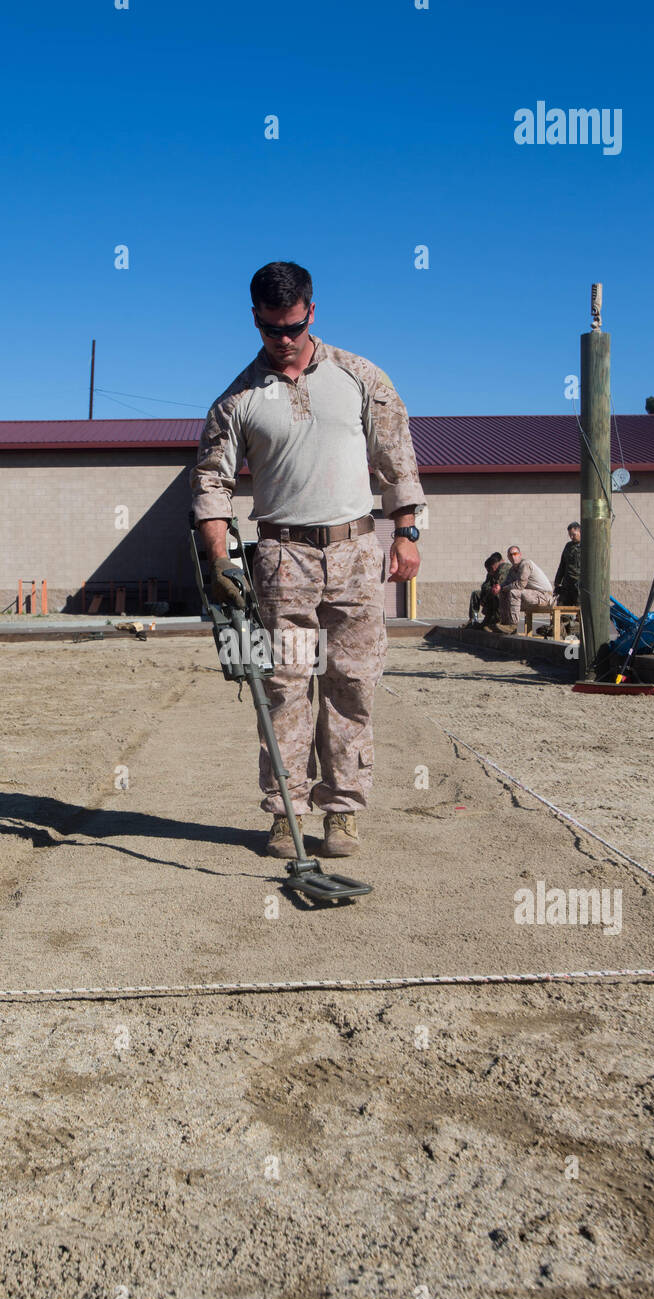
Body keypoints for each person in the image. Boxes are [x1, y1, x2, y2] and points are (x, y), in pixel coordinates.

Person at [191, 260, 426, 858]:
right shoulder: (237, 400)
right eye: (272, 329)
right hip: (281, 558)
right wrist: (220, 560)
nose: (284, 341)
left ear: (312, 312)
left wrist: (407, 532)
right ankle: (286, 812)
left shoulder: (361, 378)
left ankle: (342, 813)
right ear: (255, 321)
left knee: (352, 685)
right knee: (285, 688)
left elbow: (398, 458)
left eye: (293, 326)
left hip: (353, 551)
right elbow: (212, 484)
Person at [491, 546, 553, 633]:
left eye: (515, 554)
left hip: (545, 596)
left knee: (514, 592)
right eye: (510, 555)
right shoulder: (513, 570)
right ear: (508, 557)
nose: (513, 557)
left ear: (520, 555)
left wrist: (503, 588)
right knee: (503, 592)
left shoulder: (525, 564)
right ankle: (505, 623)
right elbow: (507, 582)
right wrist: (499, 587)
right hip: (532, 595)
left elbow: (520, 585)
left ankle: (513, 625)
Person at [467, 552, 511, 628]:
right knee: (476, 594)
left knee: (496, 594)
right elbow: (485, 586)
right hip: (490, 593)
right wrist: (486, 594)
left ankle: (497, 621)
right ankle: (474, 619)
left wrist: (489, 592)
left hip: (505, 593)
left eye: (492, 569)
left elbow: (500, 585)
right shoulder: (491, 572)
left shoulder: (505, 567)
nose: (491, 571)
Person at [554, 522, 581, 606]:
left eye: (573, 534)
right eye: (570, 535)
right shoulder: (568, 546)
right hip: (567, 583)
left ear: (580, 531)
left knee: (580, 610)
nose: (571, 537)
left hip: (579, 584)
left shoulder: (587, 546)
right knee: (562, 608)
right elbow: (562, 565)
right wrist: (557, 582)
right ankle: (564, 619)